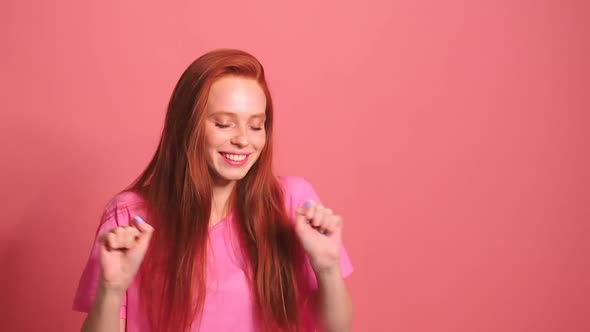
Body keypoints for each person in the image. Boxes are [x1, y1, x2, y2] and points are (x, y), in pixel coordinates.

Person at [72, 49, 353, 332]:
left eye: (256, 126)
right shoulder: (130, 216)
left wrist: (328, 268)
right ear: (187, 125)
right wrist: (111, 289)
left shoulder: (293, 201)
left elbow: (337, 329)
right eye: (223, 124)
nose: (243, 140)